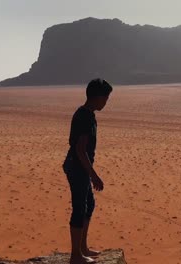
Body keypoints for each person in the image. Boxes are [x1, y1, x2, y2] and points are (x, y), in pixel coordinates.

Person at [62, 78, 112, 264]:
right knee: (79, 207)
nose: (106, 102)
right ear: (97, 97)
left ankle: (82, 247)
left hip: (81, 165)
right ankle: (76, 255)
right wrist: (94, 175)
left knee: (88, 205)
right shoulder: (84, 116)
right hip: (77, 166)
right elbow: (80, 150)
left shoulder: (88, 114)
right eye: (106, 98)